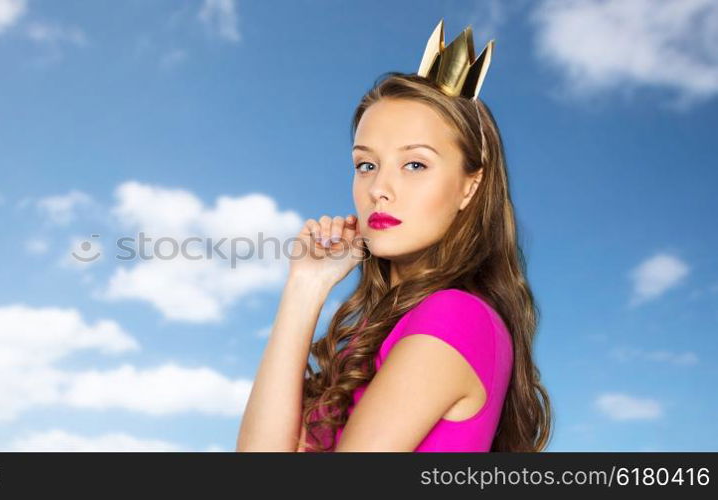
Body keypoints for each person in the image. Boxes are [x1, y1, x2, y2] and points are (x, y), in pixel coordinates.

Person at [236, 19, 552, 452]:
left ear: (470, 185)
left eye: (415, 164)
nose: (379, 188)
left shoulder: (455, 317)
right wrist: (303, 287)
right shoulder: (381, 331)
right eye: (367, 164)